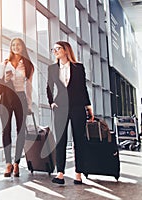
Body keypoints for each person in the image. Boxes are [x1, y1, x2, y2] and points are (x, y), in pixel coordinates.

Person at [46, 41, 94, 185]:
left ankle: (78, 173)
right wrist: (51, 102)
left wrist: (88, 107)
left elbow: (83, 88)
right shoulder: (52, 68)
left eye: (58, 48)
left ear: (66, 50)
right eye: (53, 49)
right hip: (60, 107)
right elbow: (49, 87)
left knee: (79, 140)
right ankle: (60, 173)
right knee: (60, 140)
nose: (55, 51)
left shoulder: (78, 67)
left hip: (78, 106)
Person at [0, 38, 34, 177]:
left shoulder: (28, 65)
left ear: (22, 47)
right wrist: (6, 79)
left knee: (20, 132)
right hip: (6, 98)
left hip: (20, 98)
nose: (15, 47)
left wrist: (29, 105)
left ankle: (16, 163)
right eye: (13, 45)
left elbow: (29, 87)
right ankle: (8, 164)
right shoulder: (5, 63)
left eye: (18, 45)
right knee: (5, 130)